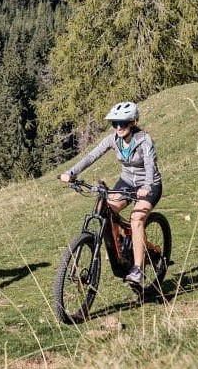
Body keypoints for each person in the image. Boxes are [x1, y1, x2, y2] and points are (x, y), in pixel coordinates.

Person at [59, 101, 163, 285]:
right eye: (114, 123)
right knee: (108, 209)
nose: (118, 127)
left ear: (132, 122)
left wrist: (146, 186)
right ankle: (121, 248)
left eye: (122, 123)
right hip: (126, 182)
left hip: (149, 184)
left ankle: (138, 269)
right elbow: (92, 155)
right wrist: (72, 172)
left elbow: (150, 166)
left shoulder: (144, 140)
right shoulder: (113, 139)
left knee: (136, 219)